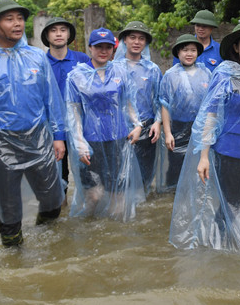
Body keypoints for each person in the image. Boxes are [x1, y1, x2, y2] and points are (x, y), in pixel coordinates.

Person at [0, 0, 66, 247]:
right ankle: (13, 256)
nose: (17, 24)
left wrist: (59, 135)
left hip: (39, 138)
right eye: (10, 19)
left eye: (20, 18)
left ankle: (48, 243)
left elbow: (52, 99)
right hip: (1, 141)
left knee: (52, 199)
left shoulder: (37, 57)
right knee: (9, 207)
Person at [169, 22, 240, 254]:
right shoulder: (225, 75)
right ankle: (222, 249)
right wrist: (204, 156)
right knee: (230, 205)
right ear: (237, 47)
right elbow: (210, 115)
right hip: (230, 153)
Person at [65, 28, 145, 220]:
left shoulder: (121, 72)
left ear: (113, 49)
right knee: (94, 195)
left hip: (117, 139)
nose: (103, 51)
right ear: (90, 48)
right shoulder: (76, 76)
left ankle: (114, 238)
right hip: (90, 142)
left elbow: (129, 102)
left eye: (108, 47)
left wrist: (137, 125)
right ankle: (89, 230)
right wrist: (79, 142)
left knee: (118, 193)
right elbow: (73, 111)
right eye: (98, 47)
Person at [40, 17, 91, 198]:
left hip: (80, 128)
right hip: (51, 130)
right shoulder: (40, 63)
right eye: (53, 30)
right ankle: (60, 215)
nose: (59, 33)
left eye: (63, 29)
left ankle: (88, 218)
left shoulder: (83, 60)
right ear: (47, 35)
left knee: (89, 177)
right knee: (57, 180)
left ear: (69, 34)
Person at [157, 34, 211, 192]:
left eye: (193, 50)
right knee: (176, 163)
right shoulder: (170, 75)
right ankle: (173, 194)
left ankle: (198, 192)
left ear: (198, 53)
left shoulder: (206, 72)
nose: (189, 53)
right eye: (185, 50)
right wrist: (167, 133)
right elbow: (165, 105)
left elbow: (212, 105)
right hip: (178, 126)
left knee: (200, 160)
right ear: (178, 53)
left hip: (201, 126)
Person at [114, 21, 162, 194]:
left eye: (141, 38)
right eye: (132, 37)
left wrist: (158, 122)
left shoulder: (153, 70)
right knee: (120, 174)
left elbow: (160, 99)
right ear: (124, 40)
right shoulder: (113, 68)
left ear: (146, 43)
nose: (136, 42)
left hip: (147, 126)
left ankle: (143, 208)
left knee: (145, 173)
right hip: (120, 127)